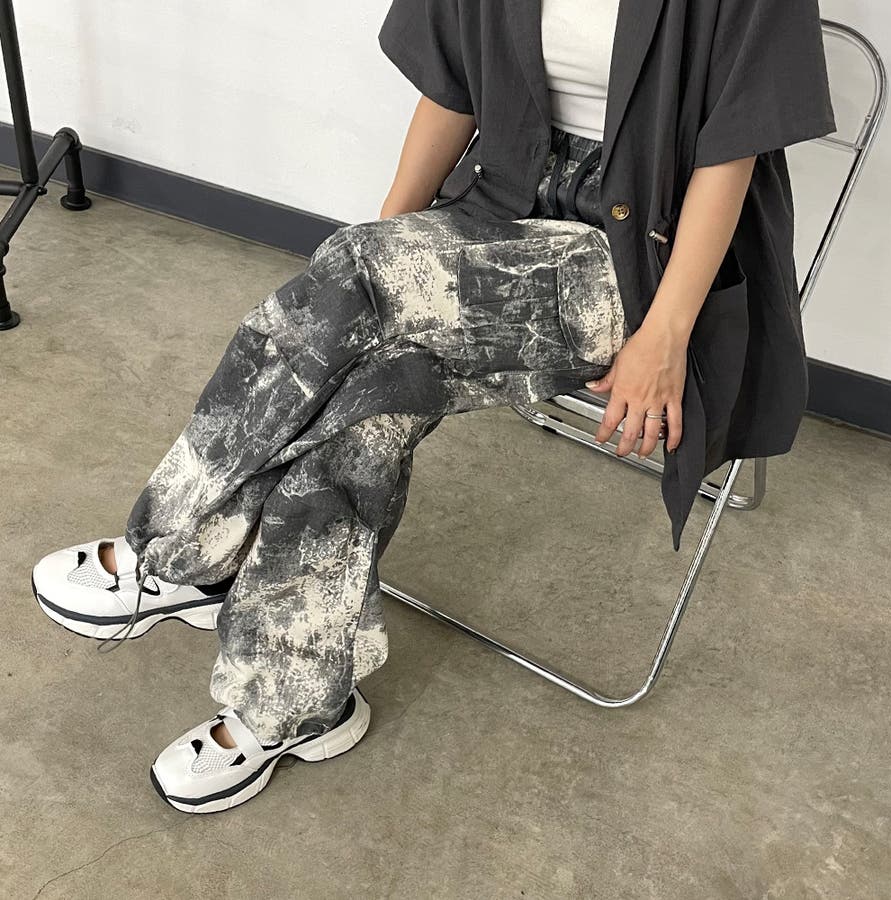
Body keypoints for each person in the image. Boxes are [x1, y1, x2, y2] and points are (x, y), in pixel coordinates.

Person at [30, 0, 835, 814]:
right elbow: (451, 91)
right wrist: (381, 274)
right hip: (501, 208)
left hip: (640, 265)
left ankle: (178, 550)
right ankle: (295, 700)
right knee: (365, 395)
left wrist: (665, 334)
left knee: (359, 284)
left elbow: (732, 152)